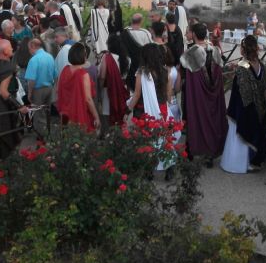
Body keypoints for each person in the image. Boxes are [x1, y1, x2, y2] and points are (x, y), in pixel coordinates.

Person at [180, 23, 228, 167]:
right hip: (213, 93)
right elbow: (219, 73)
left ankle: (191, 150)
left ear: (194, 34)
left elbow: (183, 74)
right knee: (212, 119)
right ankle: (210, 155)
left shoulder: (191, 53)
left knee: (194, 117)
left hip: (196, 95)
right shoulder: (215, 50)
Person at [221, 35, 266, 174]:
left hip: (244, 108)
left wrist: (235, 109)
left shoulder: (242, 67)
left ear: (244, 49)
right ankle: (253, 161)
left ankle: (239, 163)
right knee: (256, 131)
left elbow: (239, 92)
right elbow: (265, 86)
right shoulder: (262, 65)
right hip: (259, 107)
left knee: (240, 134)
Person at [127, 43, 174, 171]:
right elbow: (169, 97)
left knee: (147, 139)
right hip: (162, 109)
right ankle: (169, 167)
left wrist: (127, 110)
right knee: (163, 137)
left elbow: (136, 95)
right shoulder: (166, 72)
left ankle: (149, 168)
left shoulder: (141, 73)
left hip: (144, 110)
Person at [57, 43, 100, 132]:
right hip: (79, 113)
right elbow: (88, 99)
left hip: (65, 113)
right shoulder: (83, 75)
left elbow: (59, 90)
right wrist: (96, 116)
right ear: (83, 56)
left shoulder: (65, 70)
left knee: (67, 136)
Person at [24, 38, 57, 139]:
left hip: (38, 90)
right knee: (47, 112)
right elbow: (55, 75)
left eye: (29, 49)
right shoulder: (50, 57)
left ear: (33, 47)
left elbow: (31, 80)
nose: (29, 51)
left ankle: (41, 135)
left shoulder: (34, 60)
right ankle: (47, 131)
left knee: (38, 114)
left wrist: (30, 93)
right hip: (49, 88)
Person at [98, 35, 129, 128]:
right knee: (121, 117)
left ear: (109, 45)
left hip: (109, 90)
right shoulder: (127, 59)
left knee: (107, 118)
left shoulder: (106, 57)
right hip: (122, 90)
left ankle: (109, 134)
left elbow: (102, 76)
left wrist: (99, 89)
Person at [121, 13, 153, 90]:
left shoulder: (124, 32)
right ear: (141, 21)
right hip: (140, 68)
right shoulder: (145, 33)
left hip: (126, 67)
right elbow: (150, 51)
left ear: (131, 20)